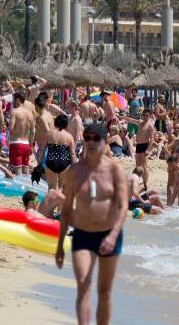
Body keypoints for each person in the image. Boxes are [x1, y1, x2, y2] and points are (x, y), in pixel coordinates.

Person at [55, 123, 127, 325]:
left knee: (104, 291)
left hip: (109, 235)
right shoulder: (74, 172)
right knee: (83, 284)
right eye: (88, 137)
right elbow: (66, 210)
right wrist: (60, 245)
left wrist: (113, 236)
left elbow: (123, 207)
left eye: (96, 138)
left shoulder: (114, 170)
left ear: (106, 142)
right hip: (83, 235)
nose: (91, 142)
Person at [39, 114, 76, 189]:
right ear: (66, 124)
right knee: (62, 188)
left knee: (51, 188)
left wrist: (39, 162)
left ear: (56, 122)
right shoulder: (69, 136)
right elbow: (72, 154)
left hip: (51, 162)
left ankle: (51, 200)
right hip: (64, 163)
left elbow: (41, 149)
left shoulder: (49, 134)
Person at [126, 109, 155, 189]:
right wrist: (123, 117)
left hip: (145, 145)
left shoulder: (150, 126)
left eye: (146, 116)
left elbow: (152, 139)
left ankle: (145, 183)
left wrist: (148, 149)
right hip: (138, 145)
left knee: (144, 165)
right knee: (137, 165)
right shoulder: (140, 123)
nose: (145, 117)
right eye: (143, 115)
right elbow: (131, 120)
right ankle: (136, 181)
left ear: (149, 116)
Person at [8, 92, 36, 176]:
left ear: (17, 100)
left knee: (17, 173)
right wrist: (31, 145)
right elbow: (33, 132)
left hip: (16, 143)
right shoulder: (30, 114)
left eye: (13, 99)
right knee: (25, 172)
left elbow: (11, 129)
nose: (12, 102)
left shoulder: (14, 112)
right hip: (26, 144)